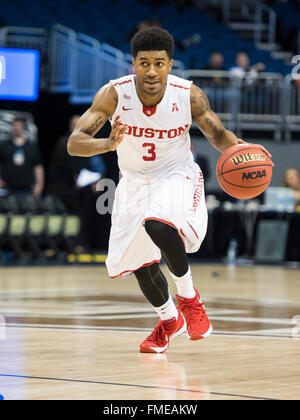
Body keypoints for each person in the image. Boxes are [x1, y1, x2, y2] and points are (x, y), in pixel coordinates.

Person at [67, 27, 271, 353]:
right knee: (141, 268)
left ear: (170, 64)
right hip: (133, 181)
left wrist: (243, 148)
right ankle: (168, 320)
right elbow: (74, 145)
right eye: (144, 63)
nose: (151, 71)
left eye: (159, 63)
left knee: (157, 222)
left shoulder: (188, 95)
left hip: (177, 173)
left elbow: (217, 134)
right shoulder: (113, 94)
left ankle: (190, 300)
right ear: (133, 63)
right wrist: (108, 142)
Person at [0, 117, 44, 198]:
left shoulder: (31, 147)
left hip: (27, 189)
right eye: (14, 126)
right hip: (6, 188)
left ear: (23, 128)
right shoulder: (5, 146)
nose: (17, 128)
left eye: (19, 126)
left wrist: (39, 185)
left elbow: (38, 167)